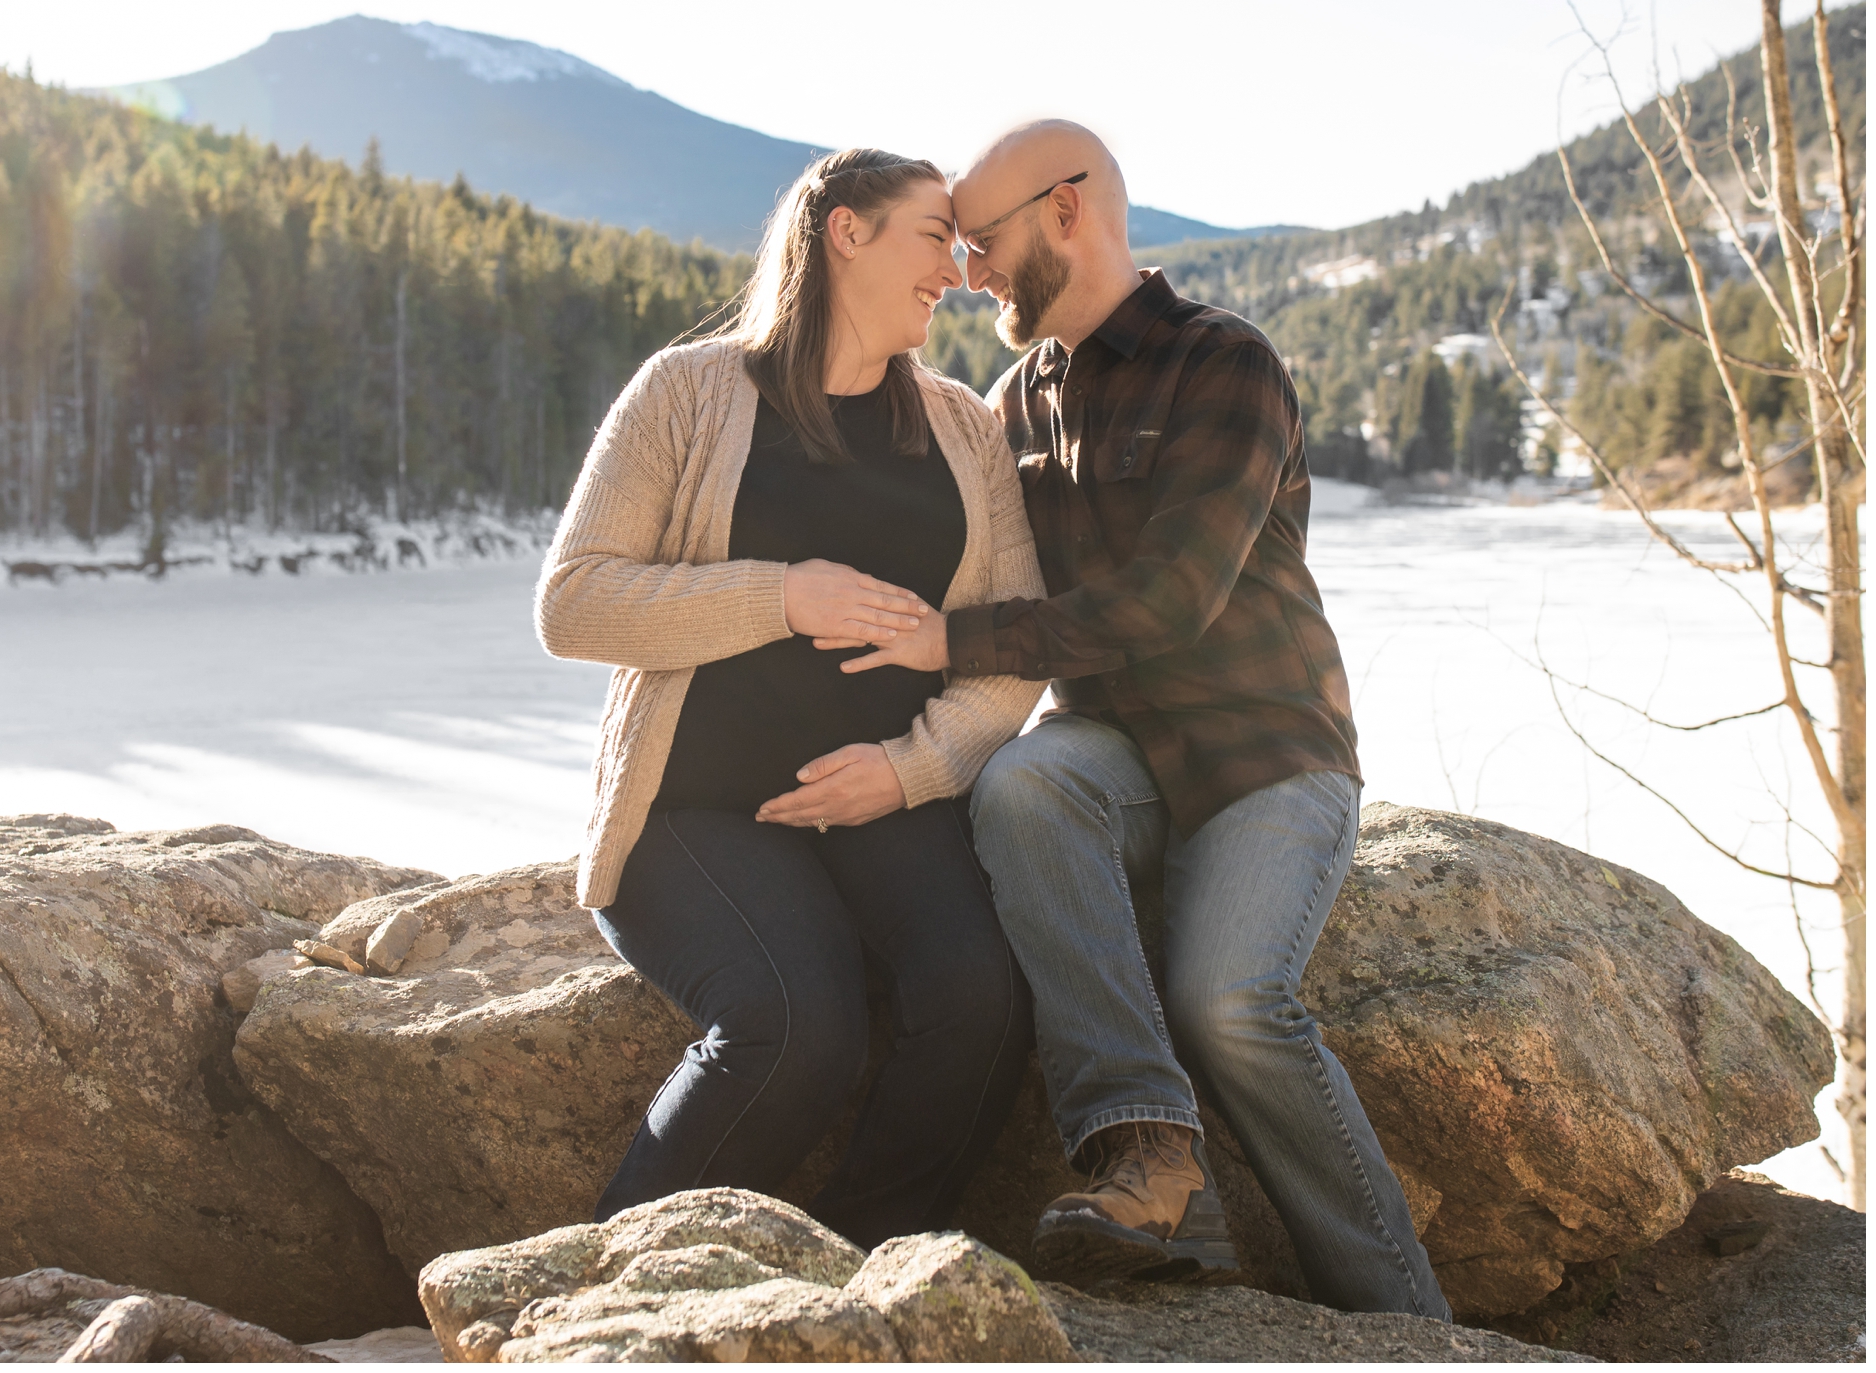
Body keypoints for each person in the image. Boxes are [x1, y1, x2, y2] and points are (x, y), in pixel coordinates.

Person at [838, 120, 1450, 1318]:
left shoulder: (1225, 362)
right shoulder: (1016, 401)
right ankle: (1157, 1170)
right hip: (1115, 758)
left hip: (1265, 752)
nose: (970, 272)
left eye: (986, 240)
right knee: (1023, 784)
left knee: (1230, 1001)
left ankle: (1410, 1322)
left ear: (1069, 210)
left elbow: (1171, 601)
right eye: (955, 250)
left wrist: (952, 642)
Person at [533, 147, 1047, 1248]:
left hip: (889, 799)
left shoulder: (962, 426)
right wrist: (784, 595)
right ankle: (593, 1291)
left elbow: (1011, 648)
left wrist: (908, 770)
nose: (955, 273)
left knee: (986, 1001)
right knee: (795, 1025)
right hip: (694, 810)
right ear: (844, 231)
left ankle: (859, 1278)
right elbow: (573, 602)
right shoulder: (688, 392)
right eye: (931, 237)